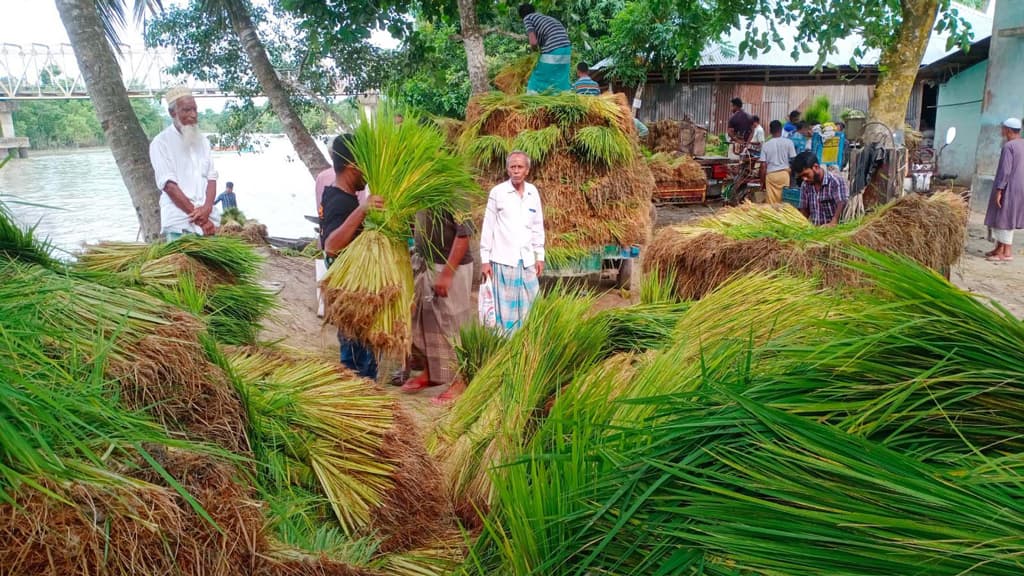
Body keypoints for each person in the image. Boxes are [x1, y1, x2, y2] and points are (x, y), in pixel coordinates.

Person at [320, 134, 384, 379]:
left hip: (354, 296)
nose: (367, 172)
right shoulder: (341, 202)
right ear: (351, 166)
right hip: (349, 296)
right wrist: (362, 209)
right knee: (357, 365)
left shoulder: (341, 196)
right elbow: (331, 245)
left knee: (361, 359)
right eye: (364, 165)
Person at [400, 208, 475, 404]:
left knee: (452, 322)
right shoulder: (421, 186)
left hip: (450, 266)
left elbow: (465, 233)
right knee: (425, 320)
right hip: (426, 262)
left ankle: (461, 380)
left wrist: (448, 273)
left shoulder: (455, 190)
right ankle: (431, 372)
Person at [480, 150, 545, 333]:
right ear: (507, 170)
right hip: (503, 262)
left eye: (520, 167)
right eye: (512, 167)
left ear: (527, 170)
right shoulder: (498, 192)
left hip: (526, 263)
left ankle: (528, 344)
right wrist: (485, 260)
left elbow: (537, 226)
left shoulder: (533, 193)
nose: (516, 170)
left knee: (532, 309)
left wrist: (539, 255)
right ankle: (506, 350)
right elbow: (488, 227)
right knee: (505, 314)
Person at [150, 85, 218, 239]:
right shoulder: (161, 143)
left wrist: (207, 208)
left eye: (195, 110)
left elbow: (212, 178)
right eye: (187, 110)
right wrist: (201, 219)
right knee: (181, 263)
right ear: (172, 112)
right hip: (180, 222)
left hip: (209, 220)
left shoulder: (203, 142)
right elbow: (169, 186)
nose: (193, 115)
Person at [984, 117, 1024, 262]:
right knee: (1008, 215)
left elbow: (1005, 170)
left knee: (1004, 216)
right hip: (1020, 186)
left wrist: (1000, 189)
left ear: (1007, 130)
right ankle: (999, 248)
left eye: (1002, 128)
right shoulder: (1021, 144)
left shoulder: (1009, 146)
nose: (1001, 130)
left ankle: (1006, 252)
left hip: (1010, 185)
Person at [520, 4, 572, 94]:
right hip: (566, 48)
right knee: (559, 78)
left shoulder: (527, 18)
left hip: (554, 47)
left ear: (522, 15)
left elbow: (533, 42)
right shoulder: (544, 17)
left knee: (537, 77)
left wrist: (535, 53)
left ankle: (531, 100)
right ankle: (562, 100)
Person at [792, 150, 848, 227]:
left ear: (816, 167)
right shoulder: (805, 185)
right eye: (801, 176)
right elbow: (804, 209)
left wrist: (833, 222)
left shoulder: (835, 181)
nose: (804, 179)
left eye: (806, 174)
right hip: (816, 231)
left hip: (835, 231)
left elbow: (842, 202)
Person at [759, 120, 797, 204]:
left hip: (771, 176)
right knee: (784, 201)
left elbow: (763, 166)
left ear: (770, 131)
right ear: (781, 129)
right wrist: (792, 177)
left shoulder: (766, 145)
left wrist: (762, 181)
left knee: (771, 202)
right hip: (784, 175)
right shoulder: (789, 142)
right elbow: (794, 161)